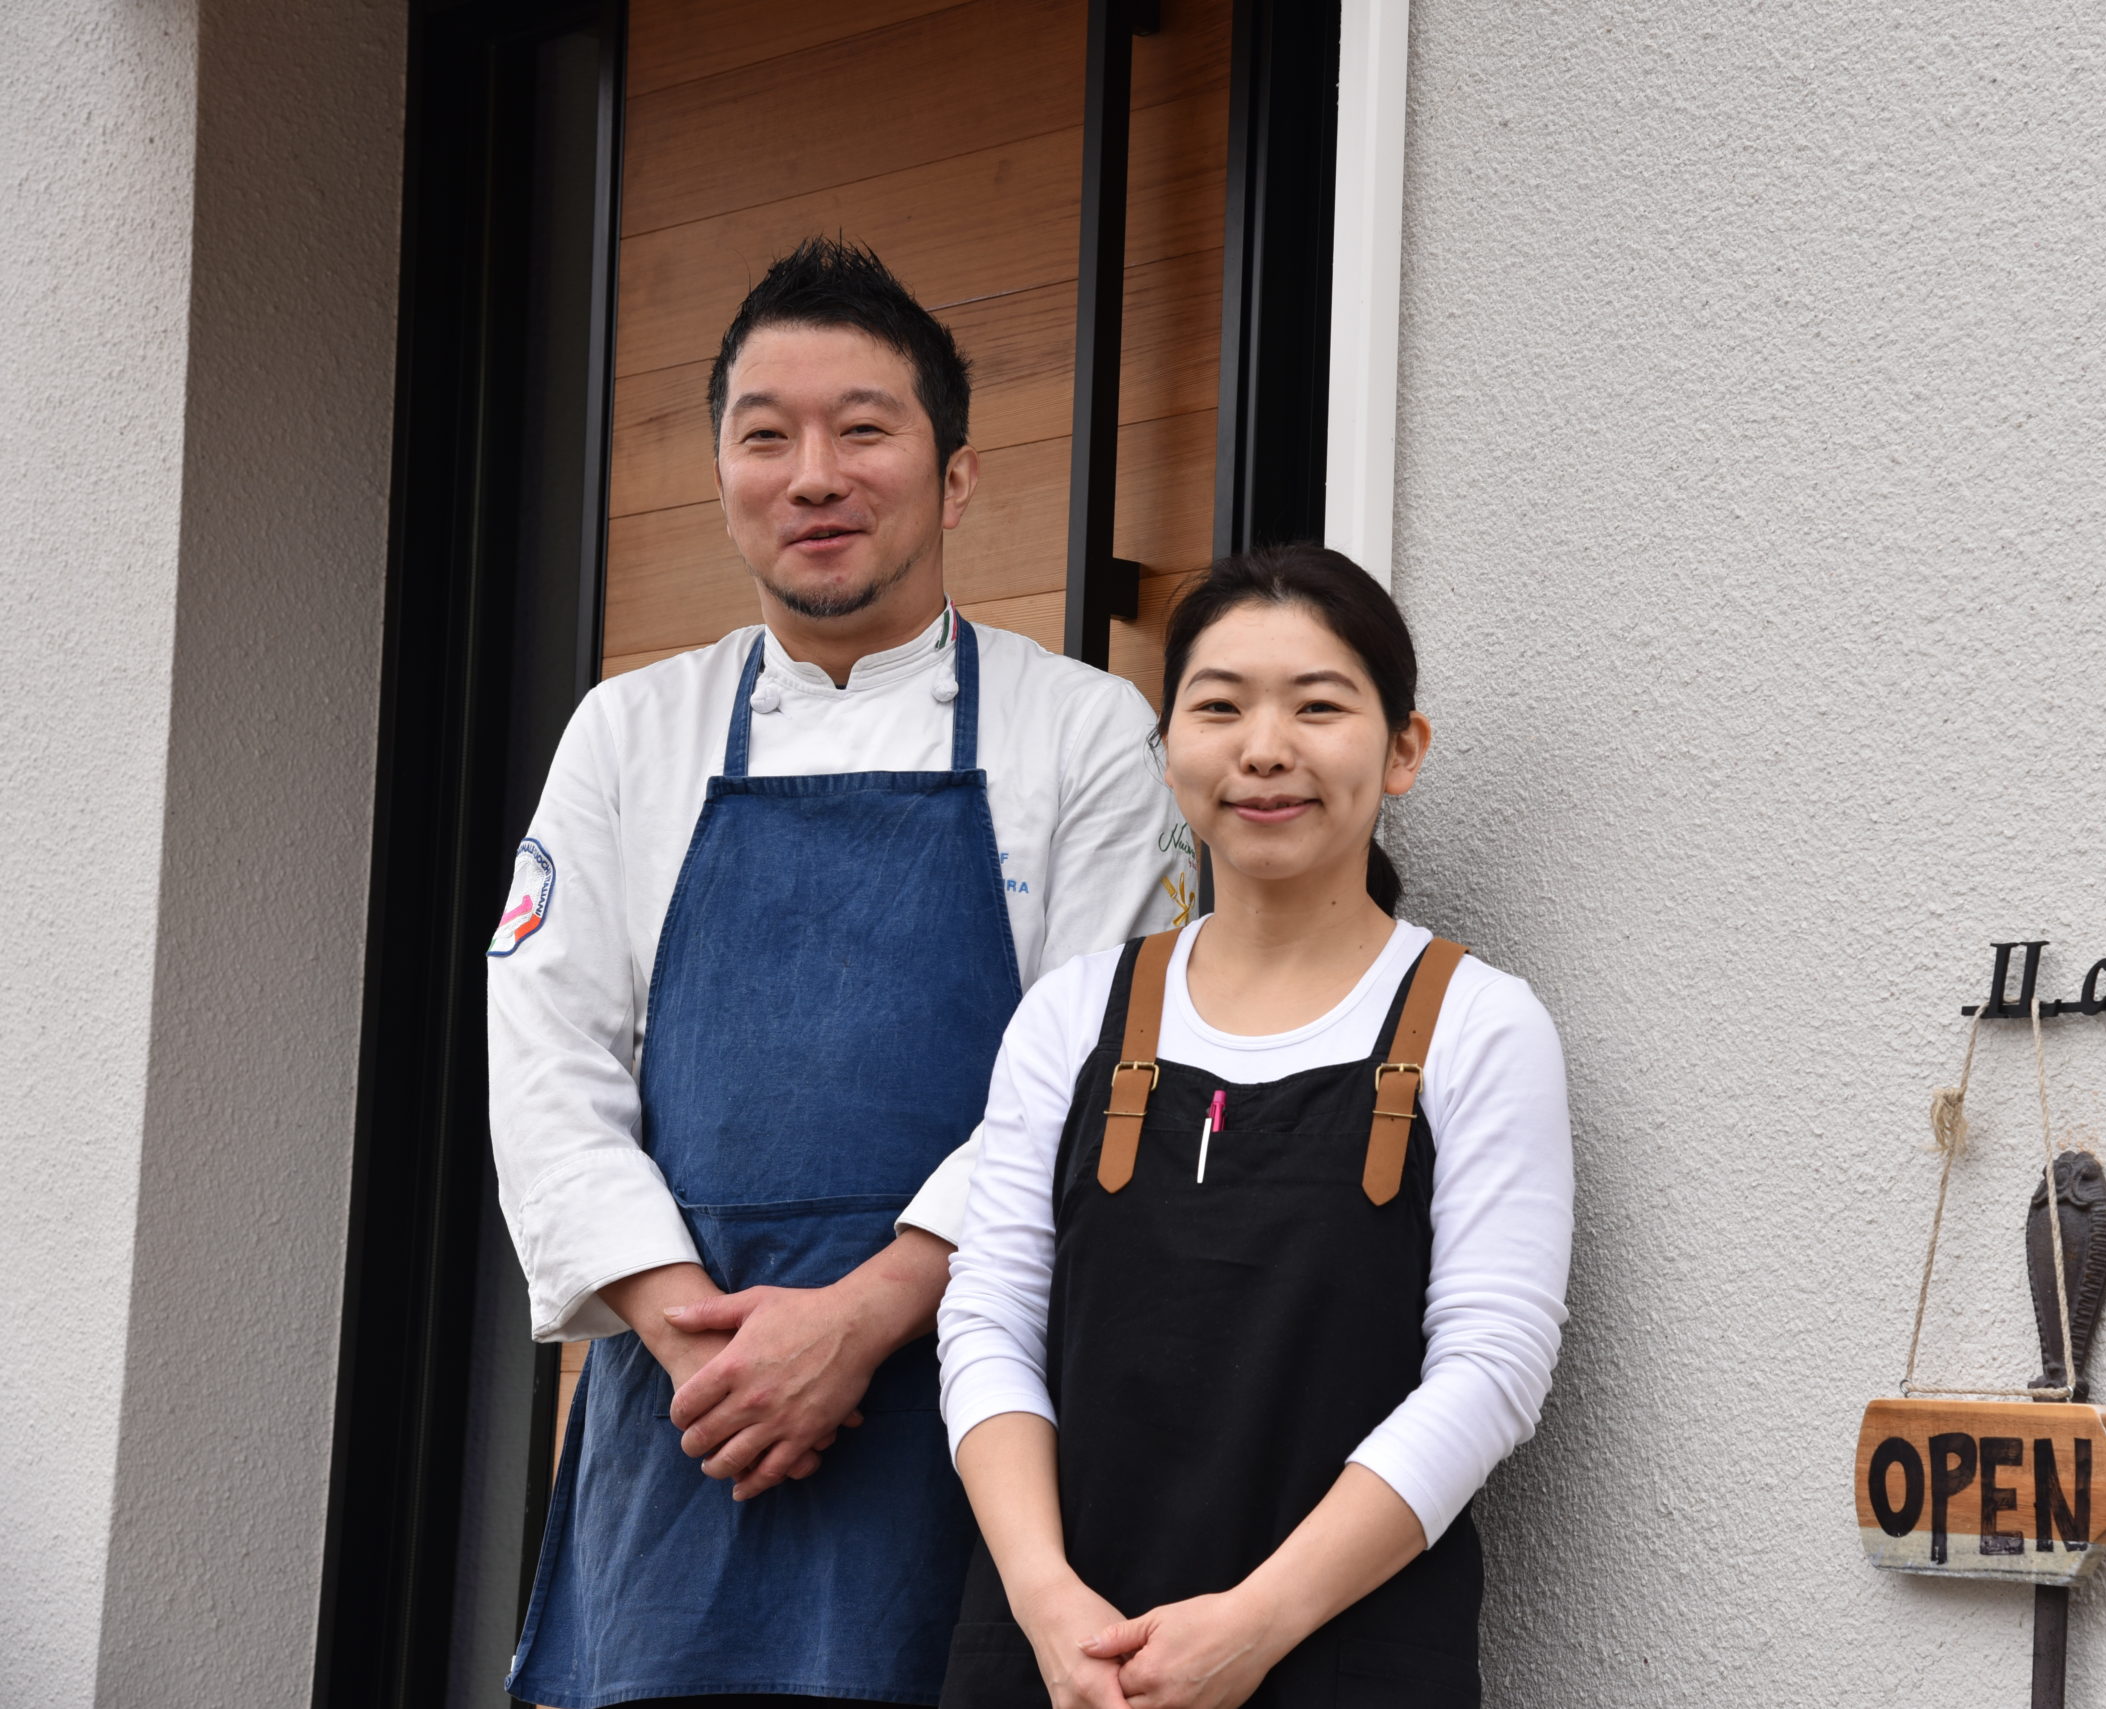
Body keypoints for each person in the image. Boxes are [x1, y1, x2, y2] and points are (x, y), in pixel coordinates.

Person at [490, 238, 1184, 1708]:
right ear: (723, 474)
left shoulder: (1087, 733)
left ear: (957, 474)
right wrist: (701, 1341)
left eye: (864, 428)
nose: (814, 473)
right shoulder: (627, 734)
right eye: (766, 434)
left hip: (966, 1400)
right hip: (690, 1420)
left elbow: (1090, 1076)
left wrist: (863, 1318)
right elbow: (544, 1061)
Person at [933, 546, 1574, 1709]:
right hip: (1059, 1661)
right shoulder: (1074, 1011)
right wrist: (1044, 1596)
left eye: (1318, 706)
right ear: (1168, 744)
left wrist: (1257, 1623)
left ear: (1403, 750)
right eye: (1218, 705)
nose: (1264, 748)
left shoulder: (1478, 1022)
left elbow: (1492, 1369)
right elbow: (987, 1320)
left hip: (1345, 1652)